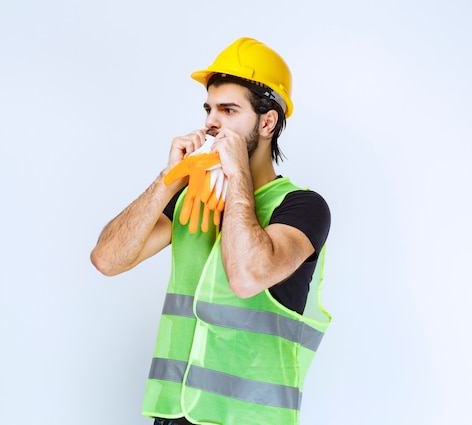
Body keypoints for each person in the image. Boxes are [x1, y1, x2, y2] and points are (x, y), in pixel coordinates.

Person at [90, 37, 332, 425]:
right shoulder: (191, 197)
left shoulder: (302, 207)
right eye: (209, 109)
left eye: (228, 110)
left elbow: (247, 275)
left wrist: (235, 172)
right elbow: (106, 259)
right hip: (173, 415)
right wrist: (170, 179)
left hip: (251, 419)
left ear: (267, 122)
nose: (211, 122)